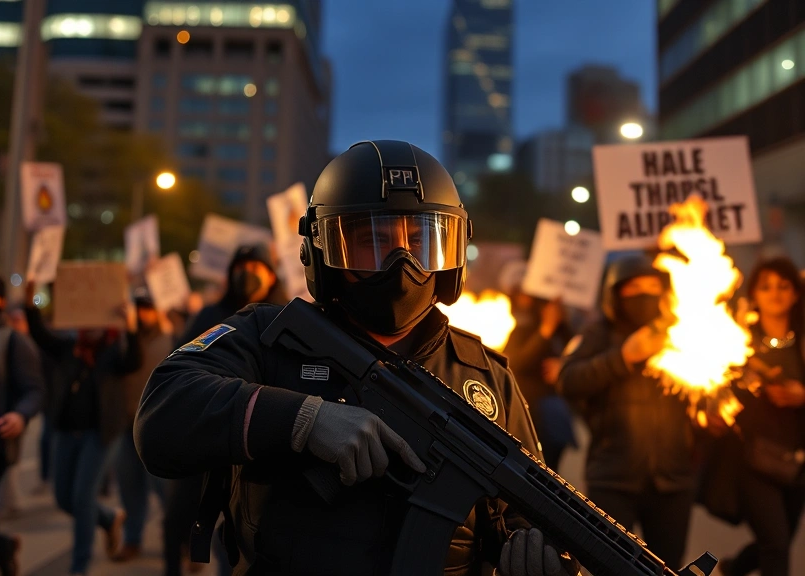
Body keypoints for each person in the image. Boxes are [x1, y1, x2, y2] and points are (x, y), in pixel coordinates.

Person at [135, 140, 580, 576]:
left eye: (422, 239)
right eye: (373, 240)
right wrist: (303, 420)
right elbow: (161, 414)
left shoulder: (485, 373)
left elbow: (526, 508)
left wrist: (539, 549)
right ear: (322, 249)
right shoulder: (270, 337)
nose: (402, 261)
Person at [558, 255, 696, 570]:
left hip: (672, 480)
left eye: (653, 286)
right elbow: (568, 380)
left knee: (667, 567)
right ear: (616, 293)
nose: (645, 293)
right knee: (613, 565)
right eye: (635, 287)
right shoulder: (599, 333)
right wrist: (623, 357)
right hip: (613, 478)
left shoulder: (680, 333)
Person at [161, 243, 287, 576]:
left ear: (272, 274)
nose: (248, 273)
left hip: (255, 446)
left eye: (257, 266)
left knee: (236, 537)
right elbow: (180, 364)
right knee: (177, 519)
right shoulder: (210, 315)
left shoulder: (286, 317)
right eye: (242, 265)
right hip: (207, 433)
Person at [24, 281, 141, 576]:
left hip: (100, 435)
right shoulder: (69, 348)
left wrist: (131, 327)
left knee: (82, 497)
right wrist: (30, 305)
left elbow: (133, 360)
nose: (89, 328)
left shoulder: (115, 350)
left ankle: (79, 565)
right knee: (63, 497)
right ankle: (109, 518)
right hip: (66, 431)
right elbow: (40, 335)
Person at [720, 257, 805, 576]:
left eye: (784, 286)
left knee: (778, 543)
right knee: (776, 545)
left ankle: (732, 568)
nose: (775, 293)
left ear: (796, 293)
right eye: (766, 286)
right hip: (752, 458)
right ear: (753, 294)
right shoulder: (737, 342)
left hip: (798, 460)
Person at [0, 274, 44, 576]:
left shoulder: (12, 341)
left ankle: (2, 550)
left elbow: (35, 390)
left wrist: (20, 415)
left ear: (0, 302)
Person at [113, 291, 174, 563]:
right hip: (126, 426)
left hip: (160, 427)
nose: (142, 313)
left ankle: (180, 543)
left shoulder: (173, 339)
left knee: (167, 491)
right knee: (129, 487)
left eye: (148, 308)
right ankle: (132, 539)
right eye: (139, 308)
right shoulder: (124, 339)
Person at [503, 291, 576, 471]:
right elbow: (514, 364)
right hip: (531, 414)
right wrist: (546, 329)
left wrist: (564, 366)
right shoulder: (523, 331)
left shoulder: (566, 333)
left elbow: (581, 360)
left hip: (557, 416)